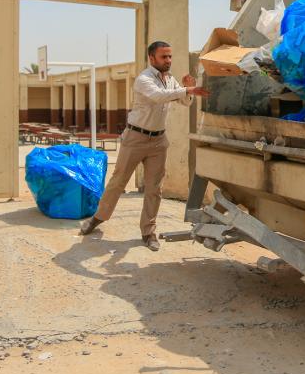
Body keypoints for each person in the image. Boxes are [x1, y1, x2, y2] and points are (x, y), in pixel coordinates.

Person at [79, 41, 209, 250]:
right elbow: (159, 97)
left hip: (158, 141)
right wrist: (188, 88)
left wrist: (187, 90)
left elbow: (185, 102)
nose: (168, 61)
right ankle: (97, 218)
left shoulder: (170, 80)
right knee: (118, 182)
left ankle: (148, 232)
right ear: (151, 58)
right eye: (163, 57)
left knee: (154, 188)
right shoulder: (143, 79)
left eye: (169, 56)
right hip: (135, 138)